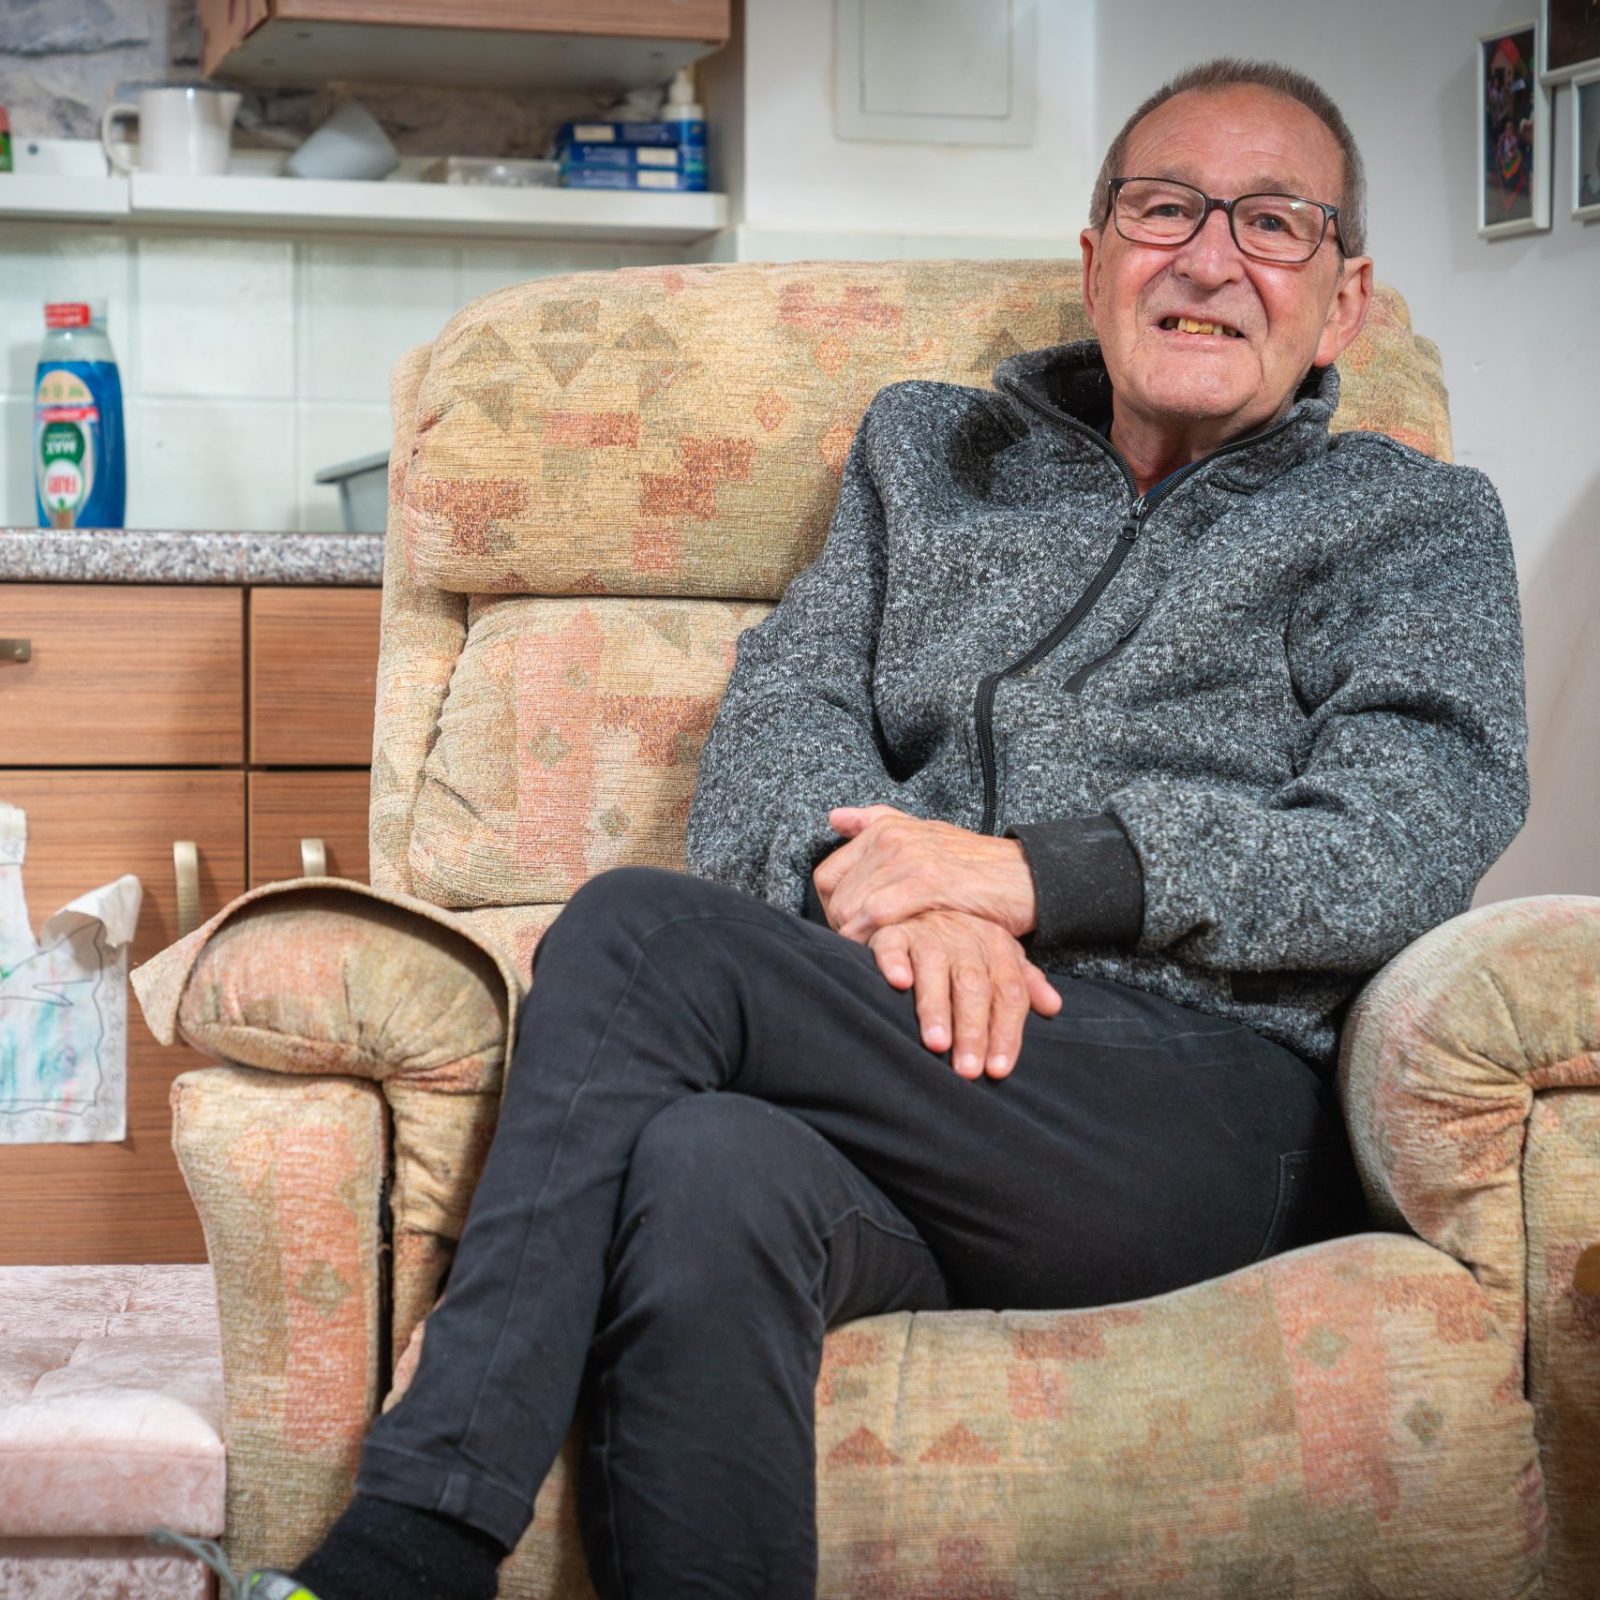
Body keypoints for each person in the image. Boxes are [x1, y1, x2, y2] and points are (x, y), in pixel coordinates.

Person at [163, 54, 1529, 1600]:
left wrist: (1029, 877)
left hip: (1194, 1114)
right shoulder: (928, 458)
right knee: (706, 1169)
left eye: (1273, 223)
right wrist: (905, 899)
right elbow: (778, 727)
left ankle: (410, 1546)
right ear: (1096, 260)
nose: (1210, 257)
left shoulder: (1417, 522)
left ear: (1343, 298)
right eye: (1166, 208)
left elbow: (1409, 831)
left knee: (633, 932)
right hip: (915, 1070)